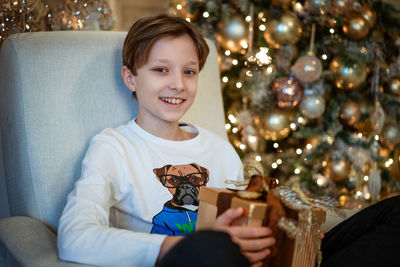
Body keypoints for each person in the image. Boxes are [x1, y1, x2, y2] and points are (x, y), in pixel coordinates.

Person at [57, 14, 275, 267]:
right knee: (212, 246)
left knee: (333, 240)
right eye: (161, 70)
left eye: (189, 72)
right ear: (130, 79)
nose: (178, 85)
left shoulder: (220, 150)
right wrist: (186, 245)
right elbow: (74, 238)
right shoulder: (113, 147)